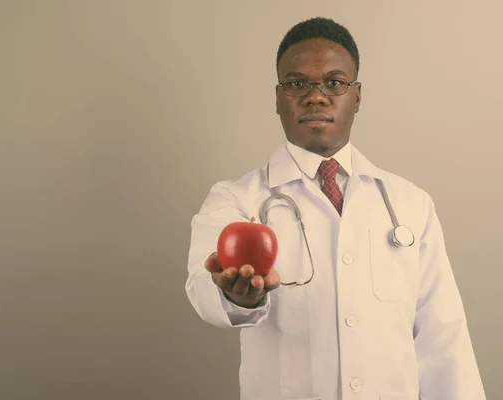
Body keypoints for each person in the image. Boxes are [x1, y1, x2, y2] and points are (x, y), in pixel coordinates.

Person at [184, 17, 485, 400]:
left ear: (357, 96)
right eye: (296, 83)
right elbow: (202, 289)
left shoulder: (410, 203)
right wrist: (239, 297)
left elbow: (443, 340)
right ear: (278, 98)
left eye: (334, 82)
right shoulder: (236, 200)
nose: (316, 96)